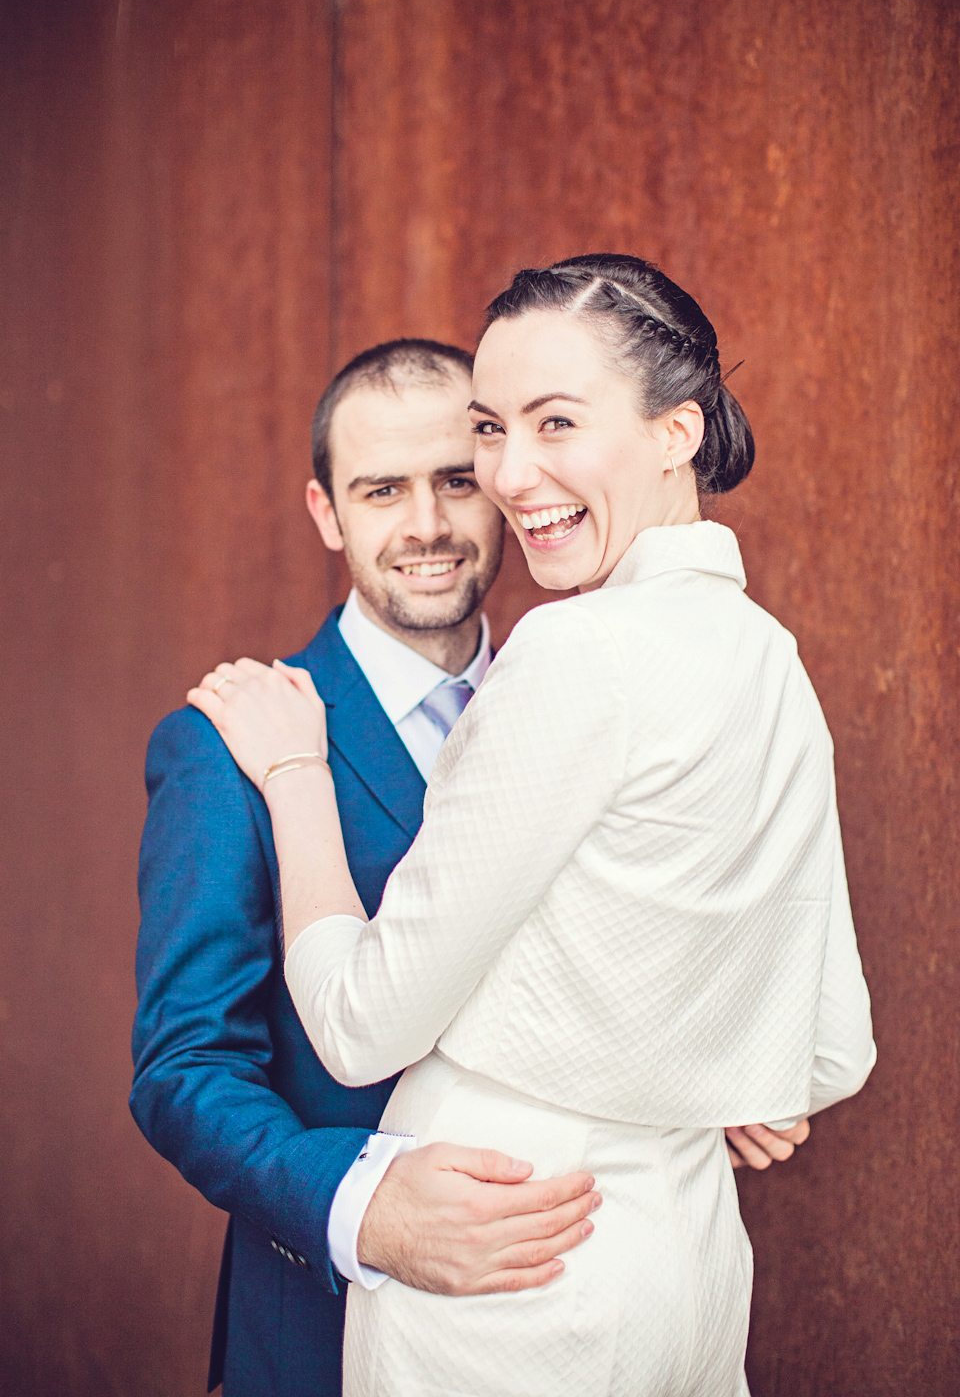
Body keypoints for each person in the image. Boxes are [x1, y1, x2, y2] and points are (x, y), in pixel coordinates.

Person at [192, 256, 874, 1396]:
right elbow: (824, 1051)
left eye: (556, 421)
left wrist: (299, 774)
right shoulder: (770, 657)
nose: (512, 474)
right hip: (687, 1261)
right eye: (492, 431)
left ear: (676, 433)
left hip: (510, 1269)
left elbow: (360, 1028)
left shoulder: (576, 651)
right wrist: (700, 1068)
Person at [131, 339, 609, 1397]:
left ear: (498, 483)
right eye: (381, 490)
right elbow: (183, 1069)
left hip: (588, 1310)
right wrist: (363, 1203)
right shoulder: (225, 745)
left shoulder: (584, 708)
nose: (428, 527)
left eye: (452, 480)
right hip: (327, 1336)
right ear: (326, 512)